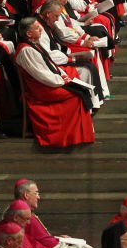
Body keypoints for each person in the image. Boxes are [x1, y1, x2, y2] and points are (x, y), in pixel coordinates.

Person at [14, 18, 95, 149]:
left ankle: (79, 132)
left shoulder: (34, 44)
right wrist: (62, 81)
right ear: (28, 34)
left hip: (47, 83)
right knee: (76, 94)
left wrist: (62, 75)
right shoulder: (26, 50)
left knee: (79, 89)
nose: (41, 30)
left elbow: (49, 65)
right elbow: (41, 75)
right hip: (41, 89)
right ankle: (71, 136)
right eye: (37, 28)